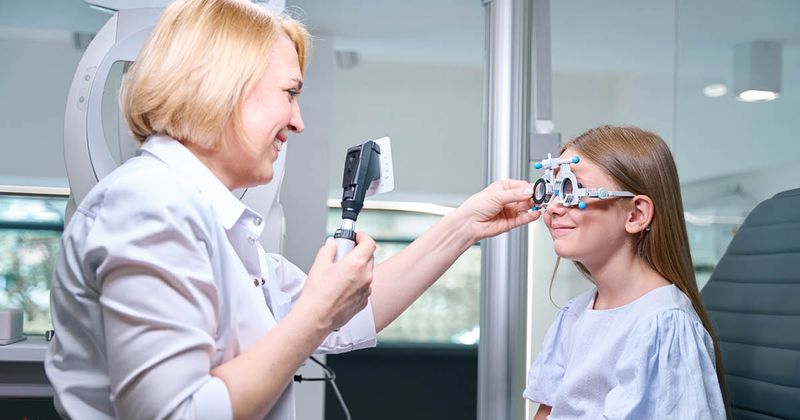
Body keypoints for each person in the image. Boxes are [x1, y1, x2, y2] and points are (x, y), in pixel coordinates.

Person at [44, 1, 540, 419]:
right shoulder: (147, 208)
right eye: (290, 93)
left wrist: (464, 224)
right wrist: (317, 314)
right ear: (223, 86)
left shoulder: (210, 221)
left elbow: (345, 318)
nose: (298, 122)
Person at [523, 126, 727, 419]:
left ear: (635, 215)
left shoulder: (664, 324)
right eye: (553, 191)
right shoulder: (574, 314)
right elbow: (547, 411)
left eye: (571, 189)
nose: (553, 207)